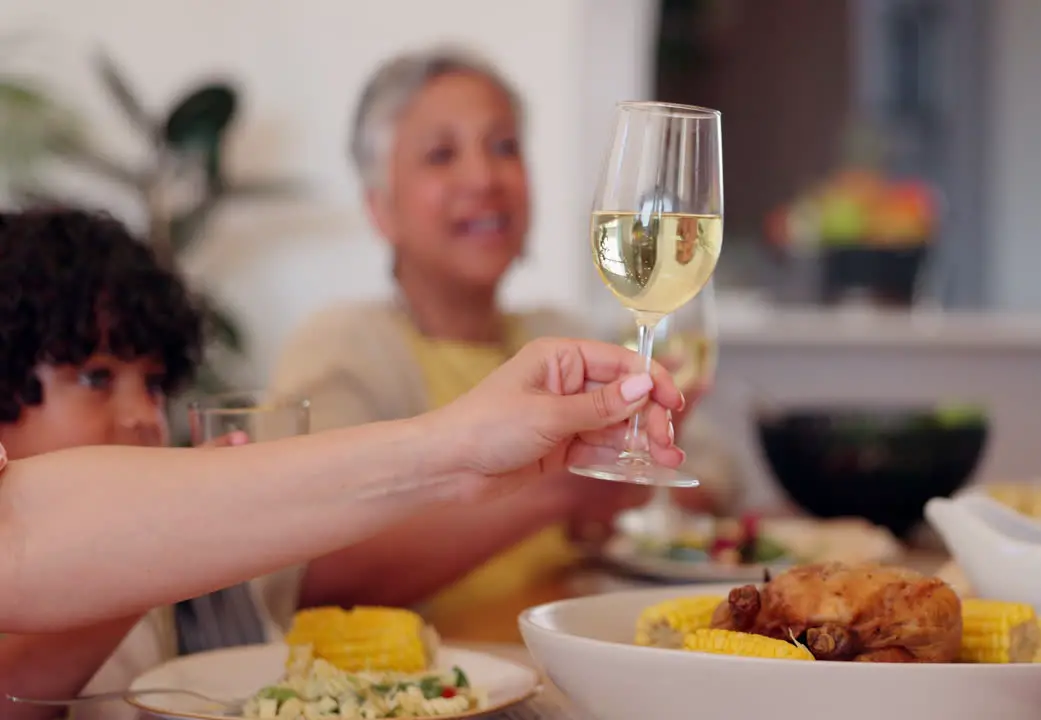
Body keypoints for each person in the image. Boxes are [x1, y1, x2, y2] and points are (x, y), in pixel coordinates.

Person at [0, 209, 683, 716]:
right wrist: (176, 544)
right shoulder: (346, 340)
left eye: (154, 384)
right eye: (94, 378)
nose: (142, 416)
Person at [269, 48, 736, 630]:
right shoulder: (346, 347)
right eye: (441, 154)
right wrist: (563, 493)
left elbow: (714, 479)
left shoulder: (552, 335)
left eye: (504, 147)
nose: (484, 178)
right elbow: (309, 571)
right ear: (379, 207)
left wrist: (630, 475)